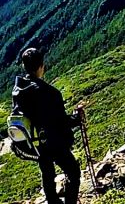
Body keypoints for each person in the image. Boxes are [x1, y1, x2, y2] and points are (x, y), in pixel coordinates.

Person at [11, 48, 82, 204]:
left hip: (35, 142)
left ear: (24, 66)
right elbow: (60, 121)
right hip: (52, 142)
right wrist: (77, 118)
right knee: (73, 173)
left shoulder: (18, 89)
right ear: (41, 66)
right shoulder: (50, 93)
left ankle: (53, 201)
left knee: (47, 172)